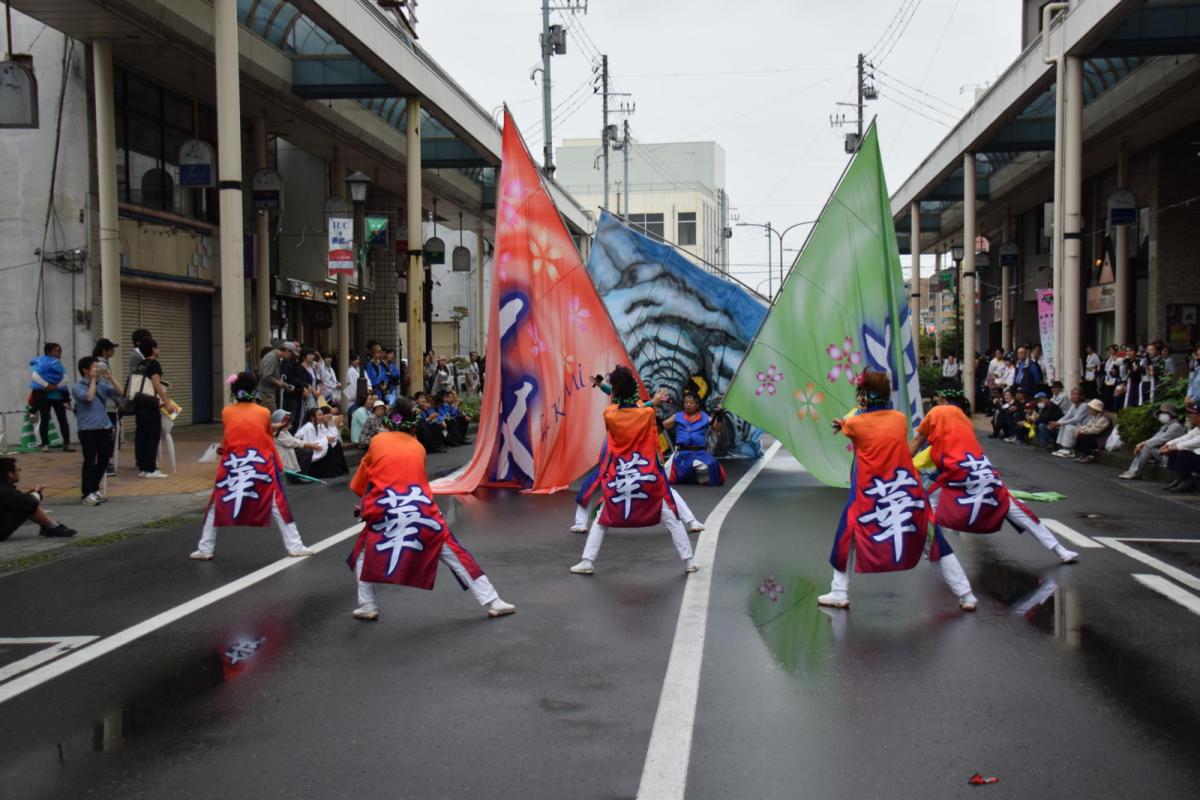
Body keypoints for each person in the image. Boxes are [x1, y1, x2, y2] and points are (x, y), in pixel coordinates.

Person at [819, 371, 977, 611]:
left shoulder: (855, 423)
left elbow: (852, 423)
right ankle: (966, 594)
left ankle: (839, 592)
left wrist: (843, 422)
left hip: (870, 493)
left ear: (864, 396)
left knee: (846, 538)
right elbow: (869, 423)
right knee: (934, 540)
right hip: (906, 491)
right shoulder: (899, 419)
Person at [347, 398, 515, 621]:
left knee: (363, 553)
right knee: (454, 553)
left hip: (386, 509)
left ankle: (367, 605)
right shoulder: (418, 447)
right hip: (420, 509)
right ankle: (493, 600)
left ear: (389, 420)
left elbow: (362, 481)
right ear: (414, 424)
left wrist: (365, 501)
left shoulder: (378, 441)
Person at [911, 390, 1079, 564]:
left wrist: (900, 464)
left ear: (942, 399)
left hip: (958, 472)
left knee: (927, 505)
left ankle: (934, 548)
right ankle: (1060, 550)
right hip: (982, 468)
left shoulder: (937, 412)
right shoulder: (964, 419)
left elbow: (917, 442)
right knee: (1016, 509)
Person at [570, 367, 697, 576]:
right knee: (672, 519)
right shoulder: (647, 414)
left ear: (616, 393)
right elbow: (640, 407)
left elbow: (620, 403)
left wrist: (604, 386)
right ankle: (689, 561)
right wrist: (653, 402)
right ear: (635, 390)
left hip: (620, 478)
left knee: (602, 519)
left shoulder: (609, 414)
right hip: (646, 477)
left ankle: (587, 561)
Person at [190, 374, 313, 561]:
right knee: (276, 504)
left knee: (216, 504)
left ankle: (205, 548)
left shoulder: (226, 412)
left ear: (234, 392)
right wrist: (278, 463)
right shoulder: (263, 412)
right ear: (254, 391)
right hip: (259, 464)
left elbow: (233, 436)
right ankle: (295, 545)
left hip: (233, 464)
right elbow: (266, 437)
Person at [71, 357, 123, 505]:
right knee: (89, 460)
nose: (97, 369)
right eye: (94, 367)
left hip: (103, 426)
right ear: (85, 370)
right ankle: (86, 493)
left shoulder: (102, 384)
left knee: (104, 459)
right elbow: (89, 397)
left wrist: (111, 378)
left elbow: (120, 392)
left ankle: (94, 489)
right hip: (87, 428)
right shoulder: (78, 387)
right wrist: (93, 380)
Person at [128, 338, 179, 478]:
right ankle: (151, 469)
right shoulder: (154, 364)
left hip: (140, 403)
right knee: (153, 436)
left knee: (142, 436)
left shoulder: (141, 364)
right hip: (151, 404)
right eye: (158, 348)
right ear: (153, 349)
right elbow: (156, 383)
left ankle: (143, 468)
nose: (159, 350)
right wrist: (166, 401)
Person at [0, 458, 75, 540]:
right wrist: (36, 493)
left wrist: (34, 493)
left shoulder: (4, 489)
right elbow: (30, 503)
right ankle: (52, 527)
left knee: (24, 501)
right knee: (26, 504)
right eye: (18, 470)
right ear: (10, 474)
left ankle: (49, 526)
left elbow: (19, 499)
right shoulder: (5, 491)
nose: (19, 472)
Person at [664, 391, 726, 486]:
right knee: (665, 477)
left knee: (710, 466)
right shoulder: (677, 416)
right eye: (686, 402)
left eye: (691, 402)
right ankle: (692, 475)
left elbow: (717, 428)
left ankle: (696, 475)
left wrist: (720, 416)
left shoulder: (704, 417)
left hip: (699, 454)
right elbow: (663, 426)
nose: (688, 405)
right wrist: (653, 415)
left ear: (697, 404)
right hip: (681, 454)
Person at [1118, 402, 1185, 480]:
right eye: (1161, 413)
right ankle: (1133, 471)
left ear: (1171, 415)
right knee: (1145, 446)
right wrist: (1143, 443)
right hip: (1165, 454)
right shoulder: (1165, 426)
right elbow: (1155, 438)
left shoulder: (1176, 426)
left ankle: (1135, 472)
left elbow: (1161, 439)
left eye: (1164, 413)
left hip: (1172, 458)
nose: (1161, 415)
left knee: (1147, 447)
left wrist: (1143, 443)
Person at [29, 342, 73, 453]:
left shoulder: (58, 364)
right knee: (45, 419)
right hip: (45, 396)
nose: (58, 353)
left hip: (58, 396)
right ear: (48, 352)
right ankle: (45, 445)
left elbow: (65, 378)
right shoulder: (39, 362)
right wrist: (47, 385)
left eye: (59, 350)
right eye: (55, 350)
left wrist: (55, 386)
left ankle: (66, 443)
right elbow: (35, 376)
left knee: (62, 420)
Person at [92, 338, 122, 476]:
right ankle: (107, 463)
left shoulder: (96, 363)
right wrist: (117, 399)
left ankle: (103, 461)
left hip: (102, 405)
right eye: (111, 348)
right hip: (107, 405)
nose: (114, 351)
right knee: (109, 434)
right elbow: (107, 386)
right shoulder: (102, 365)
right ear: (105, 350)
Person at [296, 407, 349, 479]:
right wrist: (326, 439)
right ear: (312, 417)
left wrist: (333, 427)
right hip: (304, 449)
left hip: (314, 446)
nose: (322, 417)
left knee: (336, 444)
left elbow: (329, 437)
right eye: (319, 415)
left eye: (322, 414)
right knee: (329, 446)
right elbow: (312, 443)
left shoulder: (319, 425)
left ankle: (339, 470)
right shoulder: (309, 426)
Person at [1160, 402, 1200, 493]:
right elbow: (1186, 437)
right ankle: (1180, 478)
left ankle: (1187, 481)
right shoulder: (1197, 429)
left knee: (1181, 451)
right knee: (1175, 449)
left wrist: (1173, 447)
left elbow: (1195, 442)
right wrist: (1168, 444)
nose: (1189, 416)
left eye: (1191, 413)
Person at [270, 408, 319, 474]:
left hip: (288, 452)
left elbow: (293, 440)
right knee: (306, 451)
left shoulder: (284, 431)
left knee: (306, 450)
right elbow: (292, 442)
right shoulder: (277, 432)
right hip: (281, 456)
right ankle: (301, 474)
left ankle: (302, 473)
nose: (289, 423)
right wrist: (310, 445)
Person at [1049, 388, 1089, 457]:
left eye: (1076, 394)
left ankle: (1069, 450)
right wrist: (1057, 422)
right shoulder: (1073, 405)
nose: (1073, 396)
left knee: (1068, 426)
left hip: (1084, 429)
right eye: (1072, 394)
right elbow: (1067, 416)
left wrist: (1058, 423)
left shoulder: (1084, 406)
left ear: (1082, 396)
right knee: (1064, 425)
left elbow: (1076, 419)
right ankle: (1063, 448)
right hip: (1078, 428)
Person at [257, 341, 289, 412]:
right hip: (266, 394)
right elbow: (266, 376)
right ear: (286, 351)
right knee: (272, 416)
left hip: (269, 393)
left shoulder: (275, 358)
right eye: (290, 353)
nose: (289, 356)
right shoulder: (271, 358)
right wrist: (278, 383)